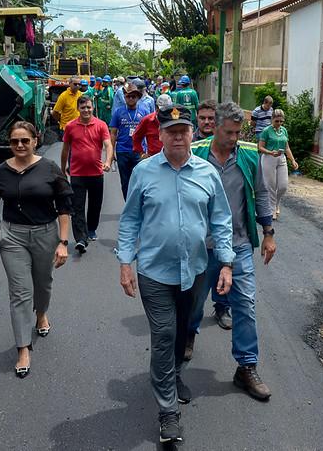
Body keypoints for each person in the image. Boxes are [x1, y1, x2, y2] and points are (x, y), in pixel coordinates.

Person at [117, 104, 235, 444]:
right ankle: (168, 410)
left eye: (184, 129)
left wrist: (226, 263)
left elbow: (222, 221)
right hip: (154, 272)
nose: (179, 135)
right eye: (171, 130)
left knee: (183, 333)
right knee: (165, 335)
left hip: (196, 271)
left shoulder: (206, 173)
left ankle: (172, 376)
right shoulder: (143, 171)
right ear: (161, 135)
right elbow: (130, 220)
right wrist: (126, 263)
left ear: (192, 133)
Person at [190, 101, 277, 401]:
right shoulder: (196, 151)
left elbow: (262, 194)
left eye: (238, 132)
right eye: (228, 132)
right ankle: (188, 336)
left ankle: (246, 367)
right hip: (200, 246)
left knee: (246, 306)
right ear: (215, 125)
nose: (233, 138)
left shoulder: (250, 155)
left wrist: (268, 233)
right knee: (192, 302)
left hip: (238, 245)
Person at [0, 122, 72, 378]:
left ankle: (41, 314)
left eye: (25, 140)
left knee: (42, 284)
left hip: (45, 233)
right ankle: (23, 348)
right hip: (12, 237)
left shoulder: (49, 169)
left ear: (35, 140)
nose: (20, 145)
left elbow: (64, 205)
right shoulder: (0, 172)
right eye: (14, 141)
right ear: (9, 144)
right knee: (20, 293)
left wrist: (63, 242)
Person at [61, 96, 113, 253]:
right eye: (83, 107)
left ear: (93, 108)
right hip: (77, 174)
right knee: (77, 207)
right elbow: (65, 150)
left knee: (95, 205)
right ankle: (81, 239)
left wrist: (108, 161)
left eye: (89, 107)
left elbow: (108, 145)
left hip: (96, 173)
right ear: (78, 109)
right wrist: (63, 169)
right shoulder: (70, 126)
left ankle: (91, 229)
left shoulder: (101, 125)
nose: (86, 110)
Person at [257, 108, 299, 221]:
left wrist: (293, 160)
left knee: (283, 186)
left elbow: (287, 147)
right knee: (271, 185)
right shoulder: (266, 131)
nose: (279, 123)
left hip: (281, 158)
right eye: (277, 121)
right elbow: (260, 147)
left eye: (281, 121)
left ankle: (276, 204)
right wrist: (270, 152)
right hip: (269, 158)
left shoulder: (284, 130)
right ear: (272, 119)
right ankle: (271, 210)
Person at [109, 84, 145, 200]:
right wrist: (111, 152)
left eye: (133, 97)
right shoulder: (118, 112)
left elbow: (148, 132)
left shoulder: (144, 112)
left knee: (139, 181)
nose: (130, 99)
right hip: (122, 151)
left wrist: (147, 151)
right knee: (125, 182)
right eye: (128, 96)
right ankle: (128, 206)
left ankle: (138, 206)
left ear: (137, 98)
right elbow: (113, 133)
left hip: (139, 153)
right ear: (125, 97)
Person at [132, 94, 172, 158]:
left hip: (172, 158)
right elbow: (136, 137)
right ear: (156, 108)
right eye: (163, 110)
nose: (166, 113)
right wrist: (142, 153)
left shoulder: (175, 120)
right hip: (153, 159)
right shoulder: (147, 120)